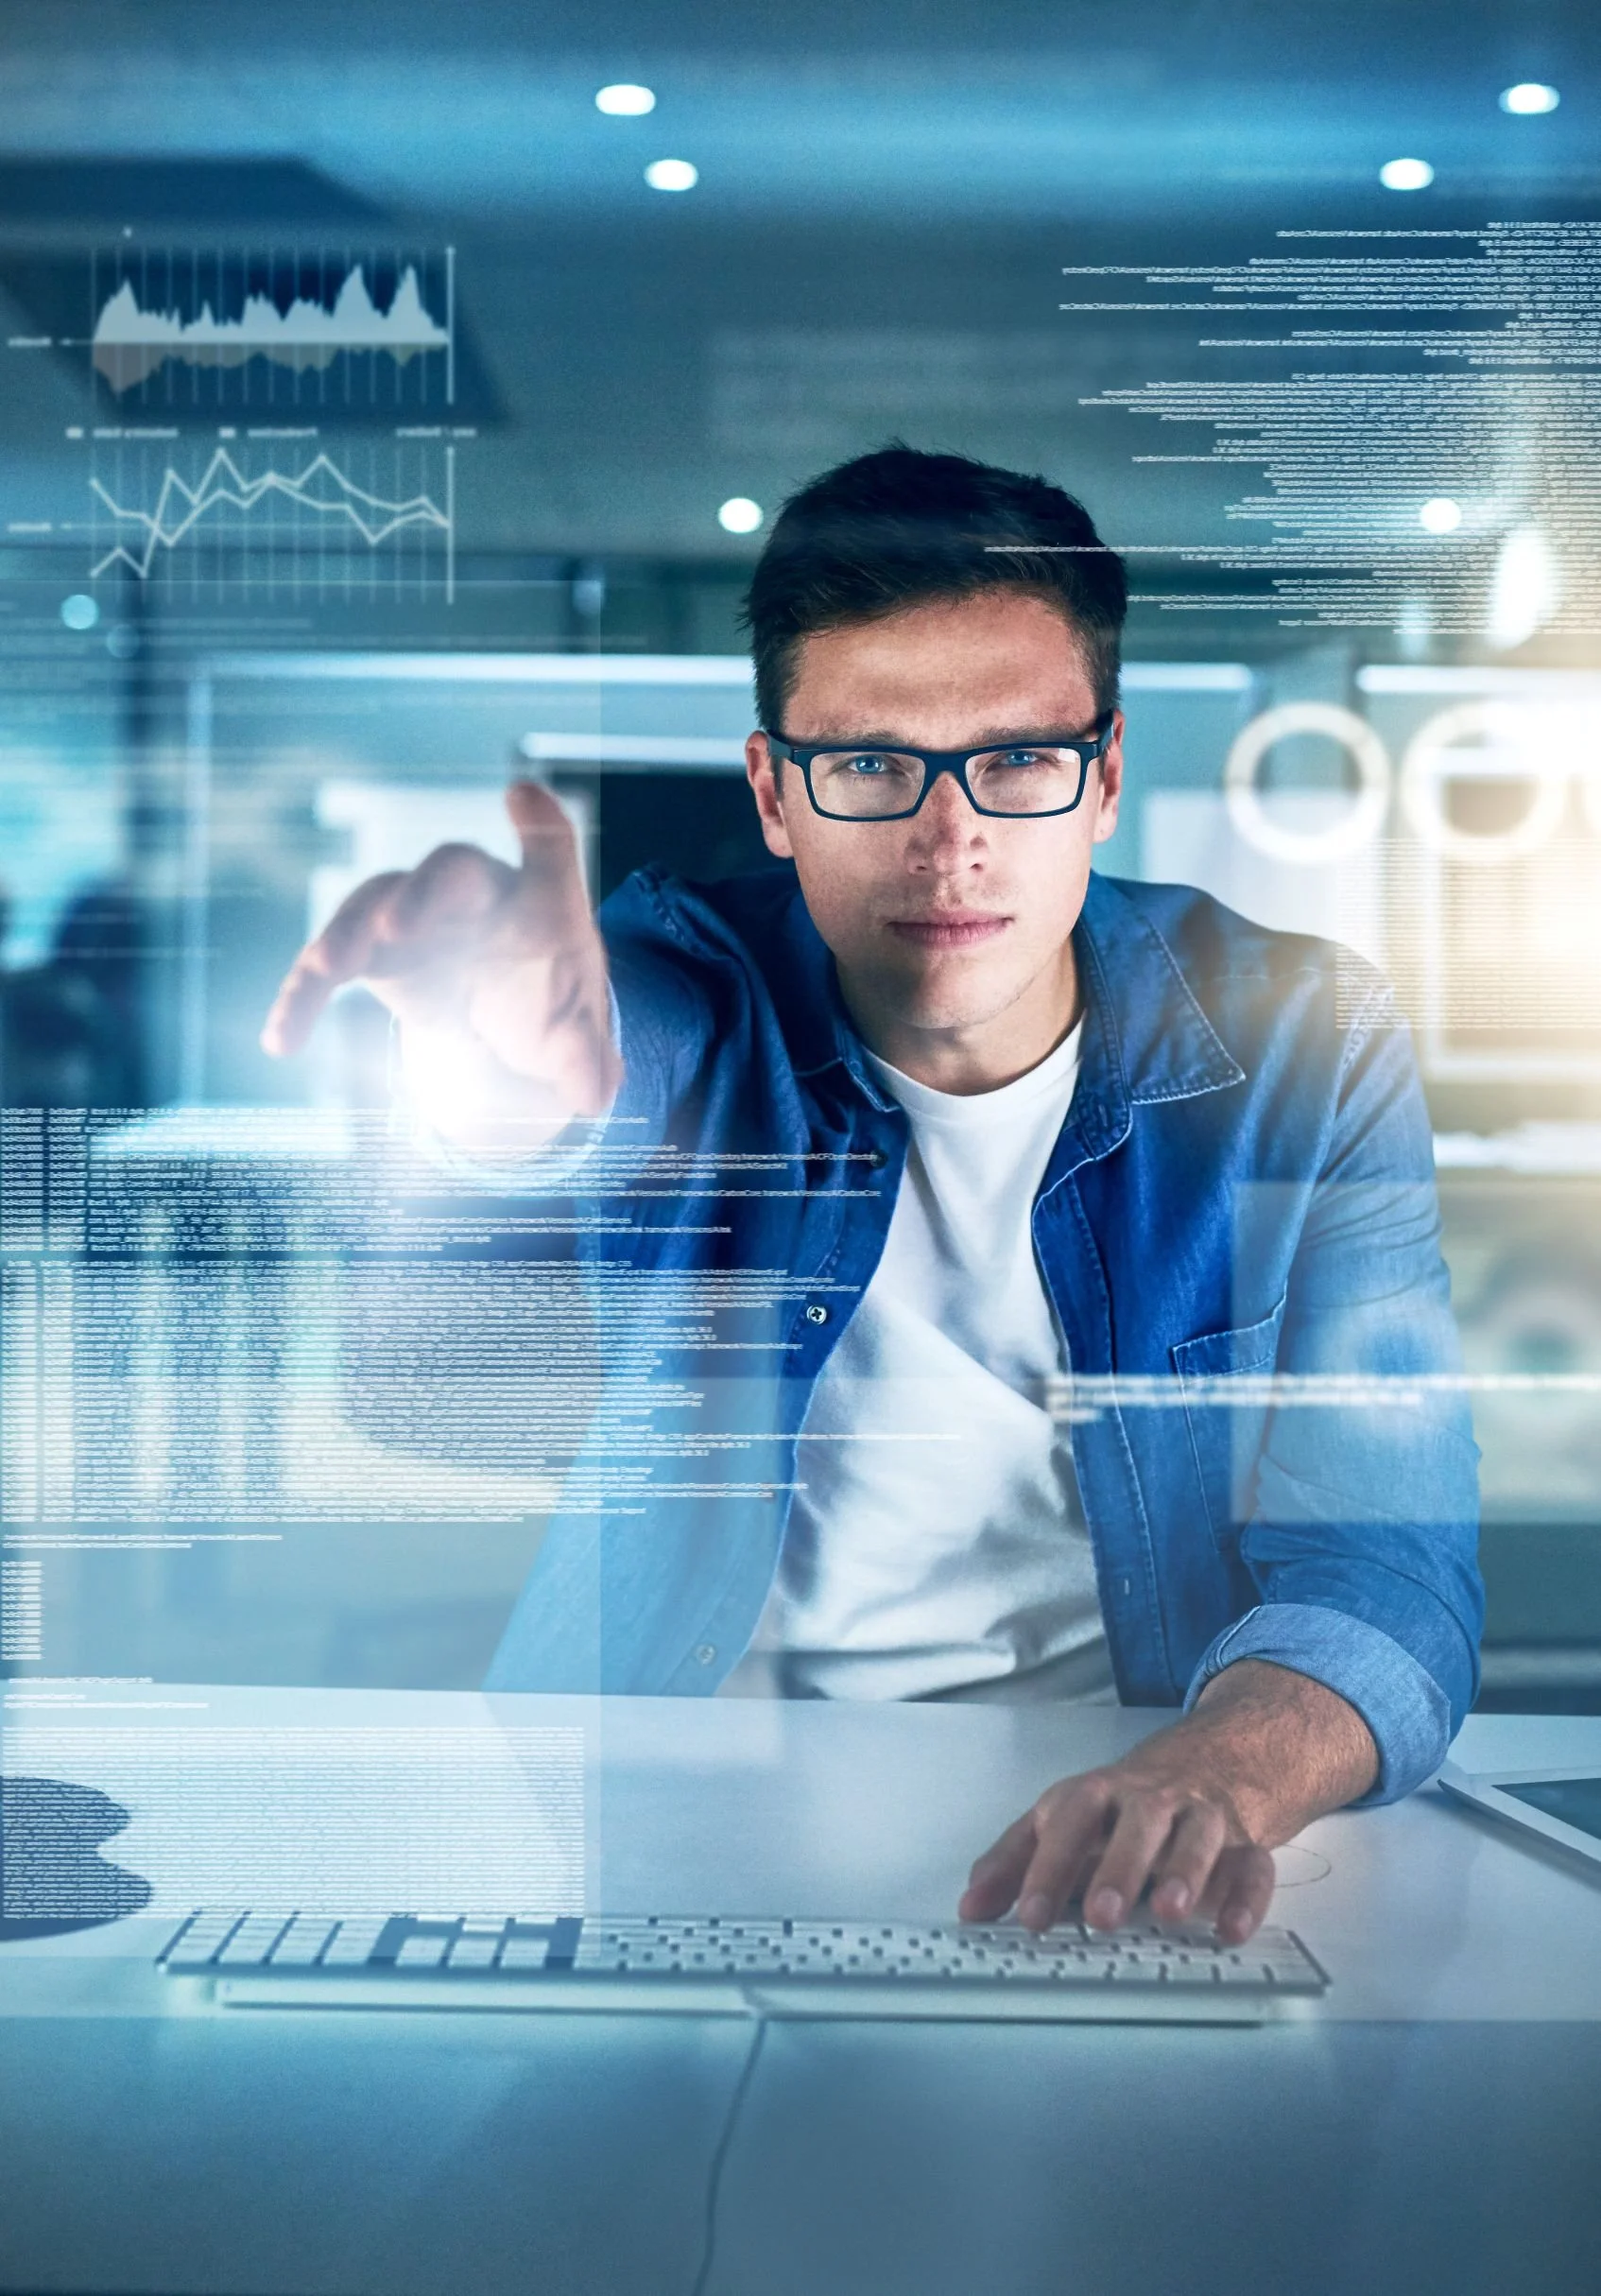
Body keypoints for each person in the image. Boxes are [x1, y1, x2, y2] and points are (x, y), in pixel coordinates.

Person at [263, 445, 1482, 1946]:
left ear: (1101, 778)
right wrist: (499, 1104)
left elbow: (1391, 1565)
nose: (948, 838)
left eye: (1016, 760)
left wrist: (1213, 1777)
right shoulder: (681, 985)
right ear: (775, 793)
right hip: (648, 1803)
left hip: (1110, 1830)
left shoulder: (1301, 1043)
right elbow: (428, 1382)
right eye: (868, 765)